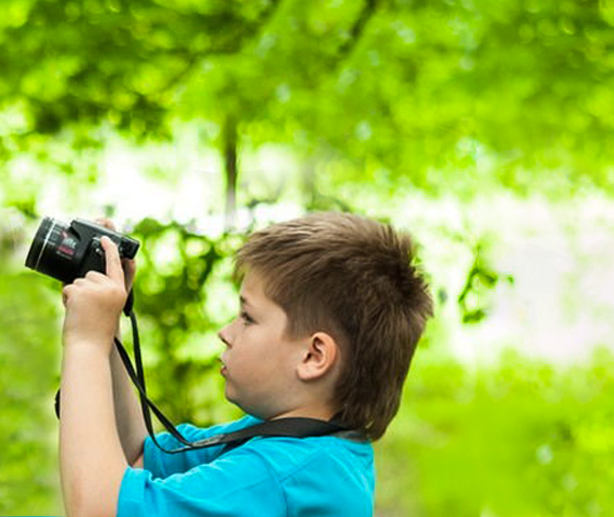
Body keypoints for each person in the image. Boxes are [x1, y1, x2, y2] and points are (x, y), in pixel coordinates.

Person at [58, 212, 433, 517]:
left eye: (248, 318)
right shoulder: (301, 443)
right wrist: (110, 333)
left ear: (313, 356)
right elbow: (139, 456)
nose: (226, 332)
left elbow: (100, 510)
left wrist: (86, 341)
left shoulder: (281, 475)